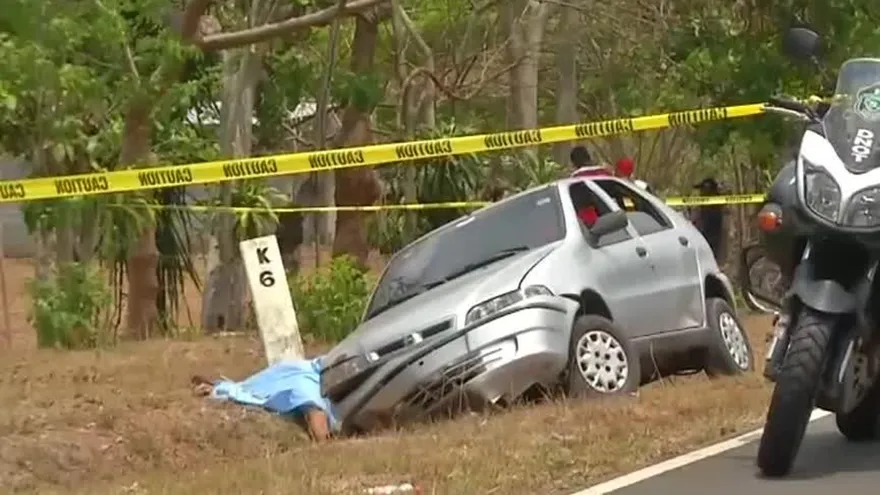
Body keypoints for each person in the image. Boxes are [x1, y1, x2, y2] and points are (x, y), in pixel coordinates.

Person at [691, 177, 725, 263]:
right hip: (705, 228)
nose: (701, 192)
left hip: (712, 227)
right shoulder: (704, 201)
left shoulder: (715, 200)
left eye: (704, 189)